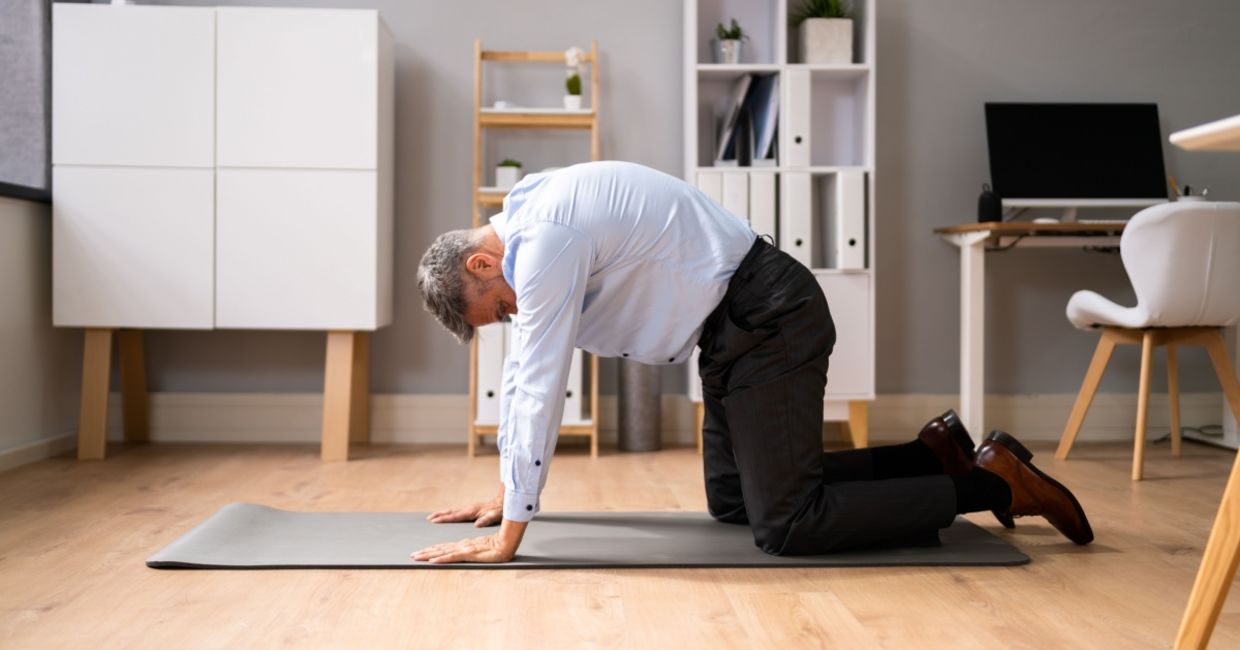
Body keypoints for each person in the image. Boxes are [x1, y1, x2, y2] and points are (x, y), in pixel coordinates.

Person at [412, 161, 1092, 564]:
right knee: (734, 501)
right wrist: (508, 488)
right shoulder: (529, 212)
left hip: (769, 317)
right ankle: (930, 455)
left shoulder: (543, 243)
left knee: (788, 524)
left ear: (481, 263)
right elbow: (522, 371)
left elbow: (536, 381)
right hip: (731, 328)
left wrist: (513, 532)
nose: (515, 317)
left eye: (499, 308)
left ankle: (995, 486)